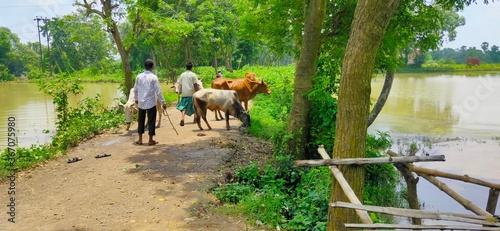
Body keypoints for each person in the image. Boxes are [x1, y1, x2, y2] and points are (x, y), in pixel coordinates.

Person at [133, 59, 167, 145]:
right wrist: (163, 102)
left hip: (141, 102)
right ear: (152, 67)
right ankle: (150, 140)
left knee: (141, 120)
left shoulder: (138, 76)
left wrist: (136, 98)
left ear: (145, 66)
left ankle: (140, 139)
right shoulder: (153, 77)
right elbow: (158, 91)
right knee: (151, 121)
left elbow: (135, 89)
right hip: (151, 102)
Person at [176, 62, 200, 126]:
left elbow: (180, 85)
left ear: (186, 67)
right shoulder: (193, 75)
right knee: (195, 106)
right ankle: (195, 119)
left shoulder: (182, 75)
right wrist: (197, 92)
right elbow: (195, 85)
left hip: (184, 94)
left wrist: (180, 91)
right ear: (191, 67)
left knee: (183, 107)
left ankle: (182, 118)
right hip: (192, 93)